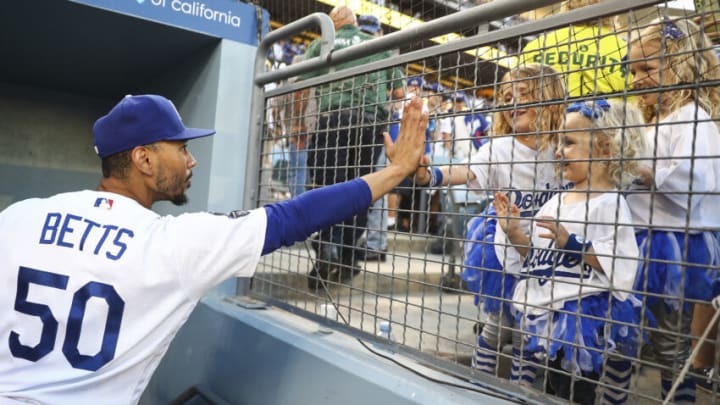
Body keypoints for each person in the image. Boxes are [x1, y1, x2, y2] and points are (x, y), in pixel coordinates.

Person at [0, 94, 428, 404]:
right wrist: (395, 171)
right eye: (181, 148)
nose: (192, 161)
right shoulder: (172, 243)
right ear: (143, 160)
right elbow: (294, 218)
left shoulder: (20, 216)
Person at [410, 64, 568, 383]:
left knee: (529, 333)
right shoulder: (499, 148)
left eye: (522, 95)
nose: (511, 103)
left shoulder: (567, 148)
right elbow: (467, 171)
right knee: (497, 328)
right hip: (506, 254)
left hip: (547, 260)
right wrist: (430, 176)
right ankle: (478, 384)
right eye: (505, 97)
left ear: (549, 98)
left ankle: (520, 392)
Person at [495, 99, 646, 404]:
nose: (559, 150)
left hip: (583, 319)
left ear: (604, 150)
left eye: (569, 142)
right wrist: (513, 231)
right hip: (551, 312)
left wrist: (573, 244)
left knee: (577, 391)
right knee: (553, 386)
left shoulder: (610, 203)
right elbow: (536, 256)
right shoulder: (556, 202)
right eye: (560, 142)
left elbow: (620, 260)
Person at [625, 16, 720, 403]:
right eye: (632, 70)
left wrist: (640, 170)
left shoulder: (693, 117)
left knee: (672, 347)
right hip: (641, 239)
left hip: (675, 247)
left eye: (647, 68)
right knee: (631, 339)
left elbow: (696, 179)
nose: (636, 78)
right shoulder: (650, 124)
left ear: (682, 66)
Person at [299, 6, 405, 287]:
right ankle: (347, 256)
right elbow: (399, 93)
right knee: (360, 191)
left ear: (333, 24)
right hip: (368, 126)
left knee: (325, 188)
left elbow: (301, 83)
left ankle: (325, 251)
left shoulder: (322, 43)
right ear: (355, 23)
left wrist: (300, 127)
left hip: (331, 123)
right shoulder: (377, 44)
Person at [520, 0, 628, 98]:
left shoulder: (536, 46)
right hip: (608, 118)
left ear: (566, 7)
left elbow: (517, 91)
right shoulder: (625, 49)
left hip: (548, 117)